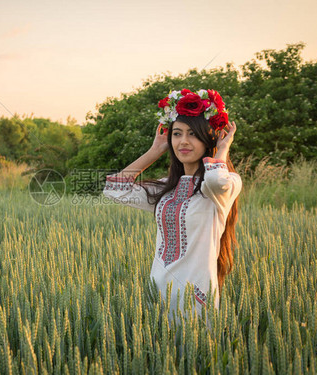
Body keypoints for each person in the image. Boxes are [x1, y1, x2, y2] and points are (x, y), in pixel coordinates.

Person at [102, 89, 241, 323]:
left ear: (209, 139)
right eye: (176, 134)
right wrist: (154, 151)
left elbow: (215, 179)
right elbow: (114, 190)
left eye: (193, 134)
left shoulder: (223, 186)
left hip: (196, 299)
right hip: (158, 293)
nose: (183, 141)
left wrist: (223, 149)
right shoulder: (167, 190)